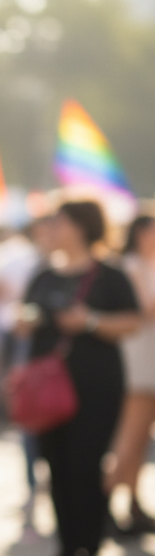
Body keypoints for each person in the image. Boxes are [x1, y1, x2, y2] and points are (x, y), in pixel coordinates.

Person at [20, 200, 140, 556]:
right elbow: (24, 316)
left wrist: (88, 321)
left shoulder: (109, 275)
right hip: (47, 387)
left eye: (58, 221)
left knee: (87, 465)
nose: (50, 228)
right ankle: (68, 550)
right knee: (55, 466)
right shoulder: (43, 275)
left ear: (79, 226)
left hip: (96, 384)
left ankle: (91, 551)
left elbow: (132, 321)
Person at [106, 212, 155, 533]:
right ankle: (103, 501)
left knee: (139, 441)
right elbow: (143, 309)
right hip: (138, 362)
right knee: (129, 438)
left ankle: (133, 502)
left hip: (149, 359)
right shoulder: (131, 266)